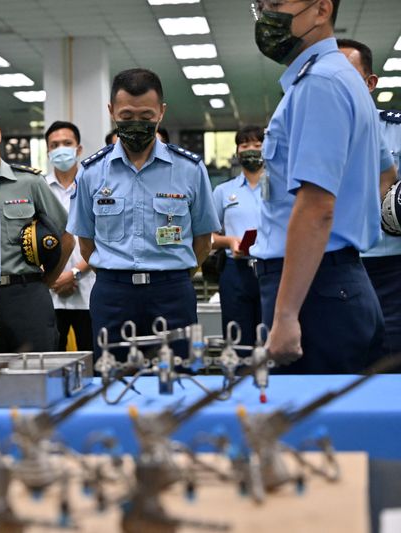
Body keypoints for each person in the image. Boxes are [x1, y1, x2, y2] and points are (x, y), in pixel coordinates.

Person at [249, 0, 384, 373]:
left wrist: (287, 313)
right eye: (260, 6)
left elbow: (316, 206)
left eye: (277, 4)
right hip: (332, 282)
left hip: (315, 292)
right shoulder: (335, 77)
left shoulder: (320, 84)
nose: (266, 16)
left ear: (322, 10)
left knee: (308, 427)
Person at [67, 68, 219, 361]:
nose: (136, 123)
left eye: (146, 117)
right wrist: (117, 275)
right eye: (126, 117)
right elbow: (85, 242)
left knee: (180, 377)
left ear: (161, 112)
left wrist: (173, 275)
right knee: (113, 380)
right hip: (114, 295)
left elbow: (203, 241)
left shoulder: (189, 169)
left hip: (172, 292)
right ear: (111, 111)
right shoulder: (91, 172)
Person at [0, 105, 73, 353]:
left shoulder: (28, 182)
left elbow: (67, 236)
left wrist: (46, 281)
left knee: (37, 372)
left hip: (24, 295)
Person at [337, 38, 401, 356]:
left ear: (370, 82)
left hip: (391, 269)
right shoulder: (309, 136)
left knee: (390, 361)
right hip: (332, 270)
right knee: (343, 363)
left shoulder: (396, 131)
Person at [43, 120, 95, 351]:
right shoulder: (40, 188)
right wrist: (53, 277)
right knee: (53, 358)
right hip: (50, 294)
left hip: (89, 292)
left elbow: (104, 240)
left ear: (78, 149)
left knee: (92, 359)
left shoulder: (94, 186)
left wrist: (74, 273)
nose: (61, 149)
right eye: (54, 145)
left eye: (67, 143)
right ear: (48, 151)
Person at [211, 125, 264, 345]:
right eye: (245, 145)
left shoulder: (280, 188)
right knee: (238, 339)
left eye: (257, 145)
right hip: (235, 270)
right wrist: (231, 241)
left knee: (271, 338)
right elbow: (209, 237)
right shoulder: (223, 192)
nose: (251, 149)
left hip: (271, 268)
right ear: (237, 152)